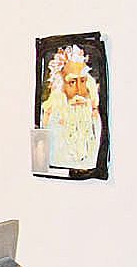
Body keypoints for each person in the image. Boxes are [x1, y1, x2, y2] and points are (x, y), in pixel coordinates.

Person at [40, 43, 103, 171]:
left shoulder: (94, 116)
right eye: (72, 82)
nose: (80, 91)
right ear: (60, 86)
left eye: (83, 81)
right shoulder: (48, 119)